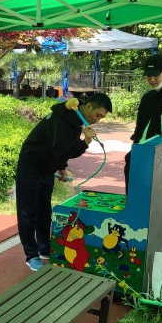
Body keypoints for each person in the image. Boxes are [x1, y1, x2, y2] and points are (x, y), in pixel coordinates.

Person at [15, 94, 112, 271]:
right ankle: (31, 255)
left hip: (47, 166)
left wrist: (61, 166)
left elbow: (62, 148)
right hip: (31, 164)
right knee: (28, 212)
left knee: (44, 210)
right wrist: (85, 142)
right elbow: (60, 149)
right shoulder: (62, 118)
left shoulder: (75, 119)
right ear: (88, 106)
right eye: (97, 115)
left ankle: (44, 249)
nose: (97, 120)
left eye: (101, 118)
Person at [123, 54, 162, 192]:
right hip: (139, 154)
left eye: (156, 75)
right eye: (149, 75)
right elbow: (139, 128)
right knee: (134, 197)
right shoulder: (147, 97)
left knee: (157, 200)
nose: (152, 79)